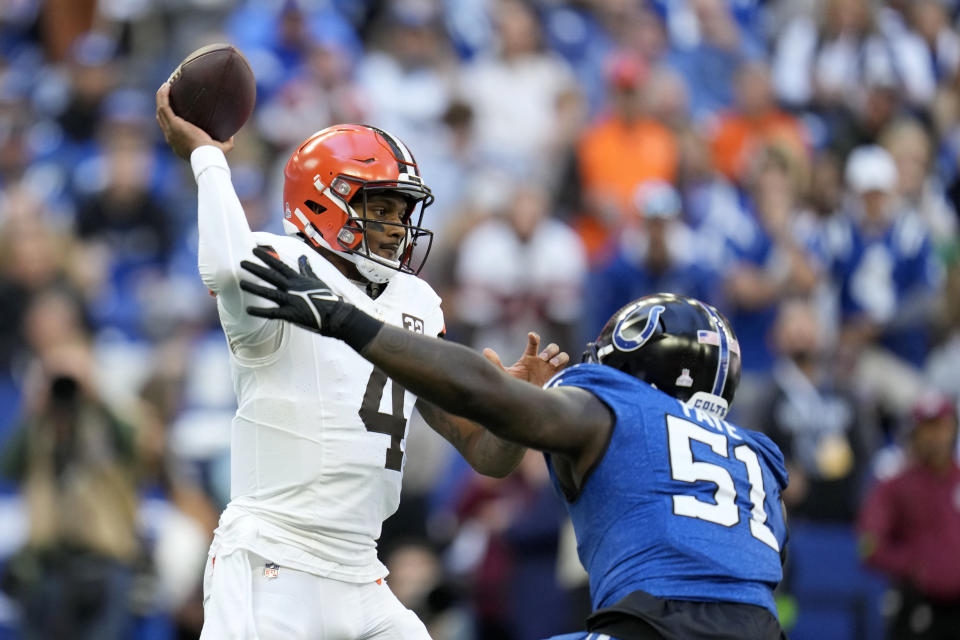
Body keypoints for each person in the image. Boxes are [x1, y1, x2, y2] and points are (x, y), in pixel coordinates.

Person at [154, 84, 568, 639]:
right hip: (273, 556)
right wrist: (207, 158)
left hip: (362, 568)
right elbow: (227, 269)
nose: (398, 227)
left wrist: (518, 408)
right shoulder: (286, 264)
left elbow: (485, 454)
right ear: (325, 200)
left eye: (403, 211)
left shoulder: (416, 302)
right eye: (382, 208)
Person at [237, 253, 791, 640]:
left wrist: (346, 320)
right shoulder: (760, 457)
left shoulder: (620, 406)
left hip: (654, 626)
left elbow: (482, 392)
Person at [857, 393, 960, 640]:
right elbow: (868, 546)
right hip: (918, 605)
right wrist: (913, 564)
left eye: (942, 427)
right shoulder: (895, 485)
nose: (936, 437)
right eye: (928, 428)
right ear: (915, 433)